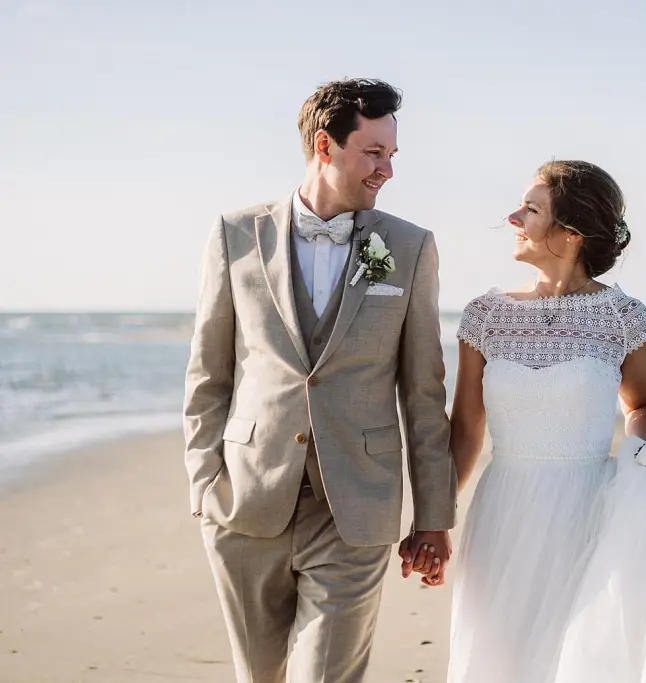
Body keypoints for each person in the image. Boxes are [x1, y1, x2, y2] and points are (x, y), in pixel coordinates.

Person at [416, 160, 646, 682]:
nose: (513, 216)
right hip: (503, 513)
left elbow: (643, 406)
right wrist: (433, 522)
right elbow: (464, 430)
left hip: (589, 513)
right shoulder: (484, 315)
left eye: (530, 209)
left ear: (570, 234)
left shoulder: (625, 317)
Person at [183, 78, 456, 683]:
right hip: (245, 504)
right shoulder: (235, 234)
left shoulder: (409, 247)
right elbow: (209, 373)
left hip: (355, 508)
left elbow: (423, 391)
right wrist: (205, 485)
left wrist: (433, 515)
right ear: (324, 146)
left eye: (391, 155)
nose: (386, 170)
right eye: (373, 153)